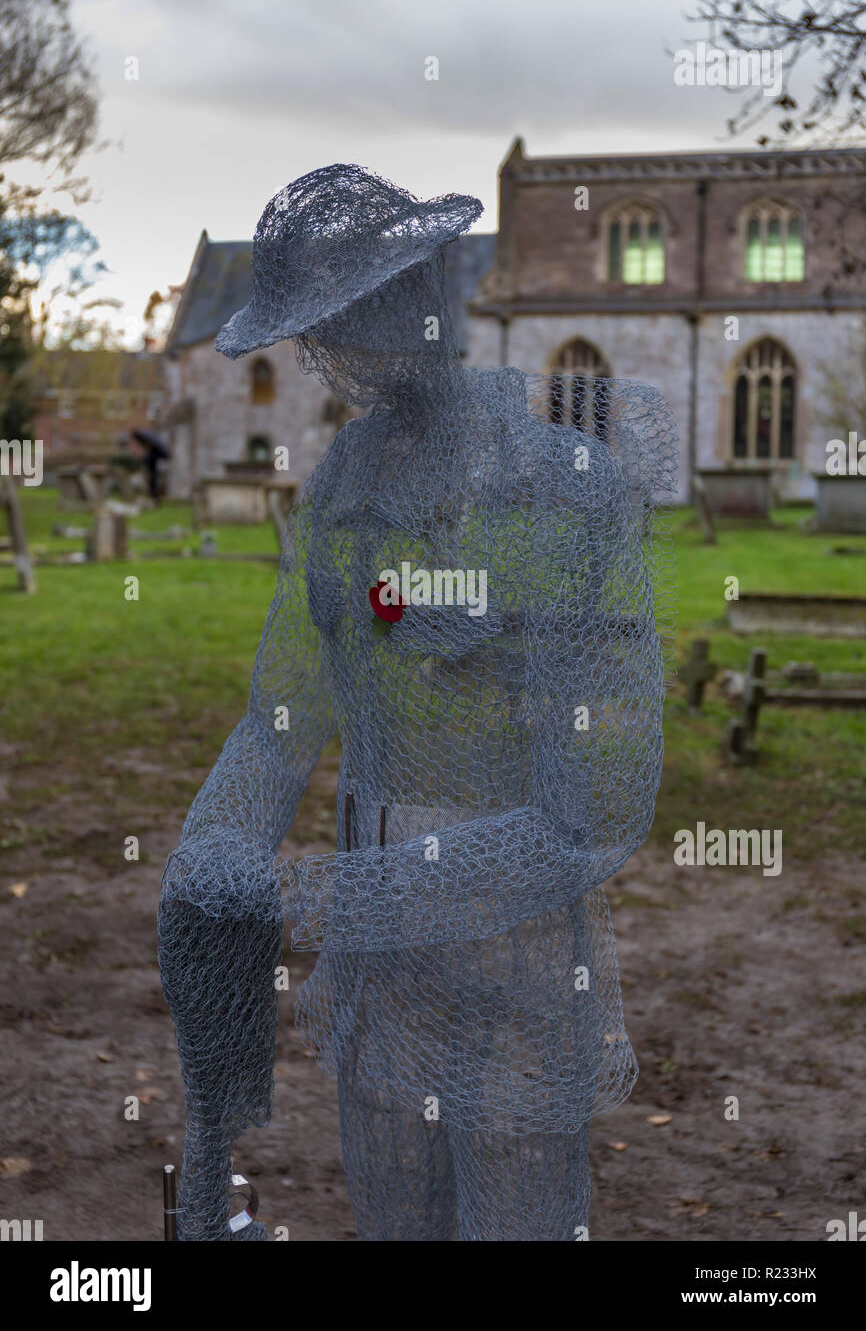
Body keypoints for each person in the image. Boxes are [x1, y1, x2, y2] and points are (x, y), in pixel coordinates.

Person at [158, 164, 675, 1240]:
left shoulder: (565, 490)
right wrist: (216, 848)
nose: (315, 358)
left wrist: (316, 900)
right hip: (377, 978)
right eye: (309, 332)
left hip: (520, 969)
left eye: (333, 323)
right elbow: (280, 716)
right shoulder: (345, 497)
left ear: (415, 301)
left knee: (515, 1216)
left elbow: (596, 810)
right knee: (394, 1216)